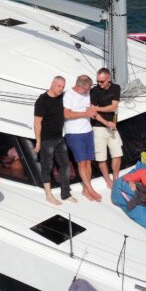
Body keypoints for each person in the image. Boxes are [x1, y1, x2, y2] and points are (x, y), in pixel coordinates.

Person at [34, 76, 75, 205]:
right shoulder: (42, 101)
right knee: (47, 167)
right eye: (59, 86)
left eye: (63, 86)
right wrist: (38, 142)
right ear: (52, 84)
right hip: (47, 140)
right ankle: (48, 195)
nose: (61, 89)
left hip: (59, 138)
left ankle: (65, 194)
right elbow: (37, 123)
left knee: (65, 165)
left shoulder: (62, 97)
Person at [64, 74, 102, 201]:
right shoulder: (68, 95)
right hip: (74, 133)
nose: (88, 91)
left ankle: (86, 190)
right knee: (81, 162)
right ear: (79, 86)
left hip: (87, 131)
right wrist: (86, 113)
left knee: (88, 162)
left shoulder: (87, 93)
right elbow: (67, 115)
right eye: (86, 89)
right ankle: (90, 188)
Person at [90, 67, 123, 188]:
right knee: (101, 156)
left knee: (117, 153)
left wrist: (97, 108)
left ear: (108, 79)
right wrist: (106, 123)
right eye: (98, 81)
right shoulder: (94, 91)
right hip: (99, 127)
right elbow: (93, 115)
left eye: (102, 81)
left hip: (112, 125)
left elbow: (113, 107)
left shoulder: (116, 88)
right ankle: (108, 180)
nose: (99, 83)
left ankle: (115, 178)